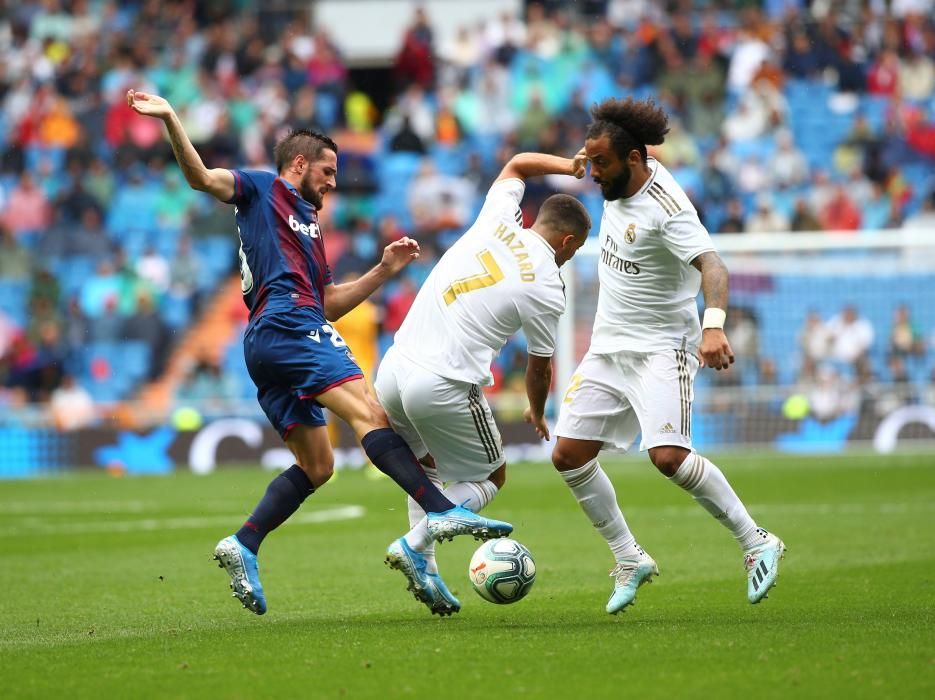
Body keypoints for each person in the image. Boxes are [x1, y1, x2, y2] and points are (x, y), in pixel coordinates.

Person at [127, 89, 513, 616]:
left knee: (318, 464)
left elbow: (329, 302)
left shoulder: (309, 230)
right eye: (328, 171)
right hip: (287, 324)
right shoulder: (261, 188)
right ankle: (440, 510)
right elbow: (201, 178)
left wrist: (381, 271)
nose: (334, 182)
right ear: (300, 164)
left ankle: (244, 543)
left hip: (275, 337)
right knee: (369, 411)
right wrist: (172, 117)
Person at [552, 97, 785, 615]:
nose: (592, 174)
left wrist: (714, 326)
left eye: (601, 165)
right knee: (568, 455)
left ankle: (756, 541)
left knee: (668, 457)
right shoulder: (615, 173)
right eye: (589, 163)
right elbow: (599, 152)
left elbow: (714, 266)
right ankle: (629, 557)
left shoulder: (668, 209)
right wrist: (584, 157)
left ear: (634, 159)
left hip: (662, 347)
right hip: (609, 345)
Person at [375, 151, 591, 616]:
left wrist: (568, 165)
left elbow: (515, 165)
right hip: (442, 382)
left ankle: (427, 572)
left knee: (426, 467)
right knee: (491, 476)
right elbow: (540, 366)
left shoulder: (499, 218)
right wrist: (536, 407)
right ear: (568, 241)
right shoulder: (548, 284)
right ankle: (414, 544)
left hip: (394, 366)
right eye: (572, 252)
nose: (569, 259)